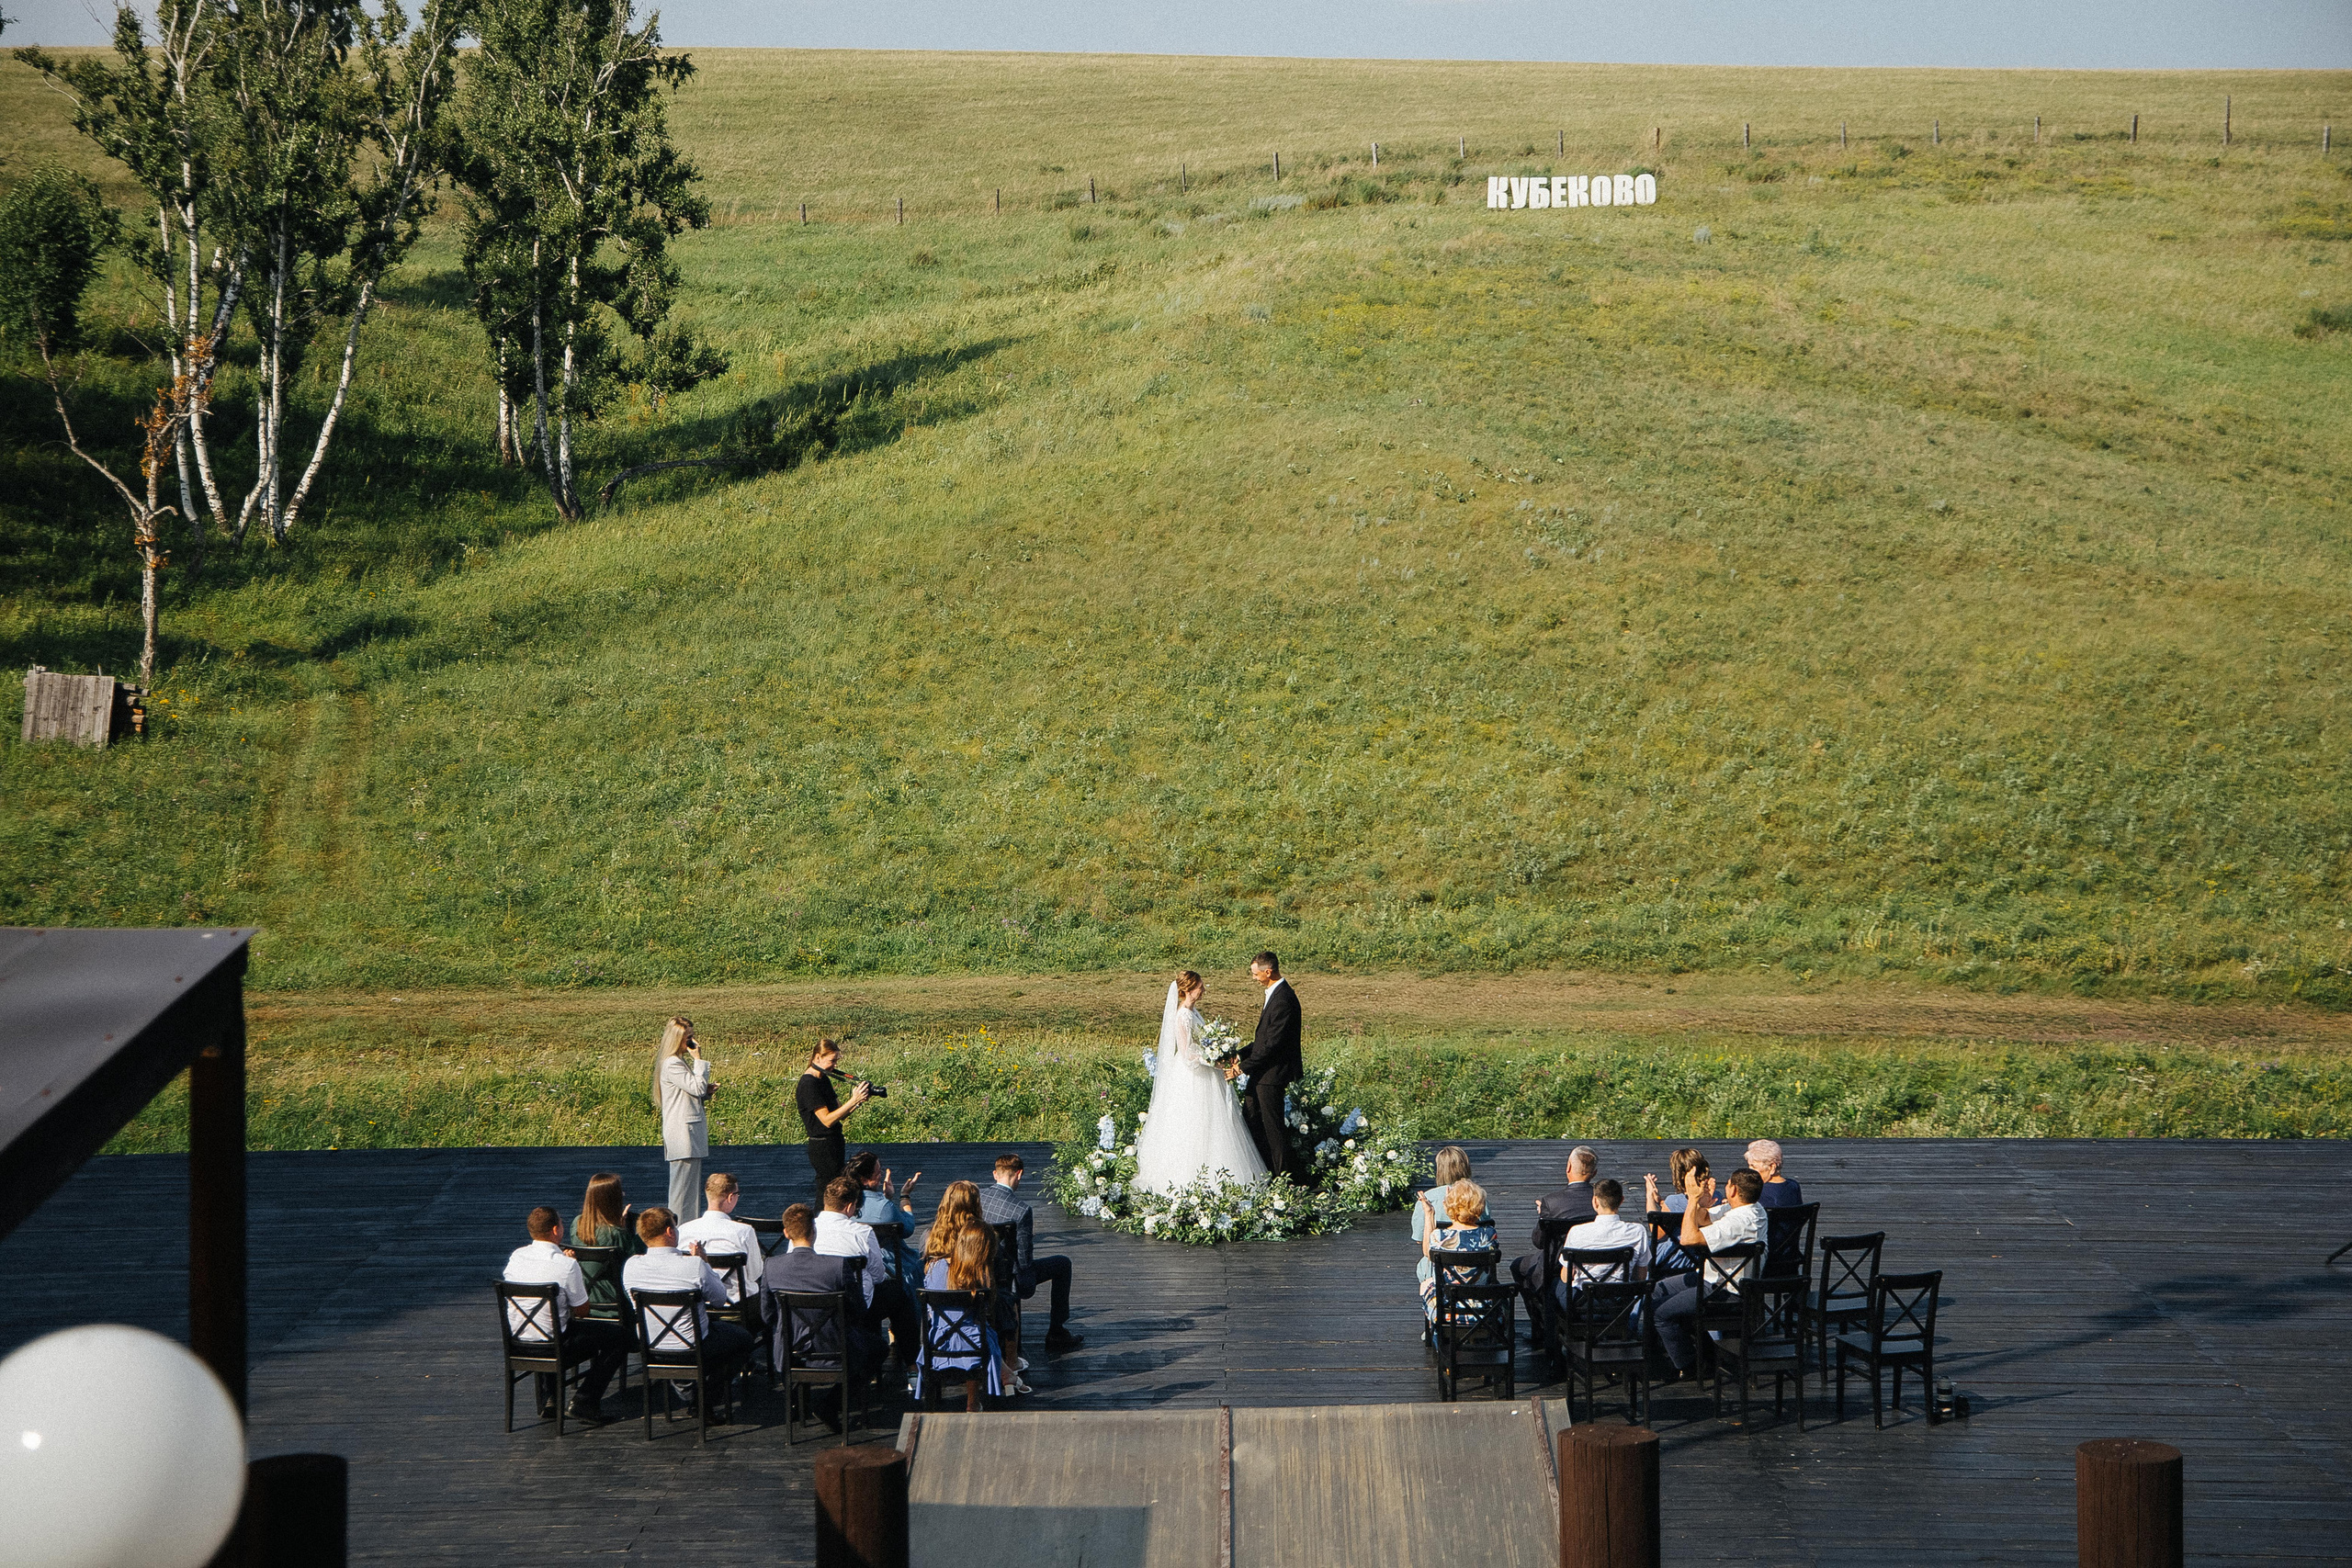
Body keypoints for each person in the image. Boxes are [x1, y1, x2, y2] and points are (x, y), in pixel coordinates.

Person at [1136, 970, 1266, 1194]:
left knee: (1214, 1122)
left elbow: (1203, 1043)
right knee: (1193, 1123)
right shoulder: (1183, 1015)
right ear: (1187, 989)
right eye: (1200, 987)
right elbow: (1187, 1053)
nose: (1204, 990)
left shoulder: (1194, 1012)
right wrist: (1215, 1062)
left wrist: (1221, 1052)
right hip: (1192, 1076)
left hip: (1205, 1073)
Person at [503, 1205, 629, 1423]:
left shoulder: (517, 1257)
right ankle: (585, 1400)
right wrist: (573, 1267)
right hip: (558, 1345)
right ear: (555, 1230)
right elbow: (582, 1310)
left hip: (520, 1340)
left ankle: (550, 1398)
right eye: (561, 1223)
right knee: (621, 1338)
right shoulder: (567, 1264)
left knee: (546, 1321)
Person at [763, 1203, 879, 1429]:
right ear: (813, 1231)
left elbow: (767, 1315)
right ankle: (831, 1403)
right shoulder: (837, 1266)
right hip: (836, 1347)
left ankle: (799, 1402)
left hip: (792, 1350)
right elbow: (859, 1309)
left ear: (786, 1233)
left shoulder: (771, 1266)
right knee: (877, 1349)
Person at [620, 1206, 754, 1399]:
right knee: (744, 1340)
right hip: (693, 1346)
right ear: (669, 1231)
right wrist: (704, 1263)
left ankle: (688, 1388)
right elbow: (718, 1300)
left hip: (651, 1344)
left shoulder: (631, 1266)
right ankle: (705, 1394)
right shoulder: (694, 1265)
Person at [1649, 1168, 1768, 1375]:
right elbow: (1703, 1219)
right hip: (1712, 1278)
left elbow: (1688, 1238)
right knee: (1657, 1290)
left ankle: (1689, 1366)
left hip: (1725, 1291)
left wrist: (1692, 1199)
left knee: (1660, 1312)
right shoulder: (1753, 1209)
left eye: (1728, 1184)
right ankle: (1705, 1354)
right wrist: (1701, 1202)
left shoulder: (1736, 1222)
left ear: (1734, 1190)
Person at [980, 1153, 1084, 1352]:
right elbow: (1024, 1256)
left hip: (979, 1269)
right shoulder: (1022, 1210)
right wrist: (1024, 1282)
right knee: (1062, 1264)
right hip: (1008, 1276)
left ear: (995, 1174)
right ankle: (1057, 1332)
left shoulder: (977, 1199)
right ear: (1019, 1175)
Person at [816, 1175, 921, 1363]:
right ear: (849, 1207)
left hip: (813, 1305)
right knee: (898, 1294)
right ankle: (910, 1361)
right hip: (855, 1305)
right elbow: (878, 1275)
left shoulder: (809, 1229)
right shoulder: (862, 1232)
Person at [916, 1223, 1009, 1404]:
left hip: (937, 1341)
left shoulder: (935, 1267)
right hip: (973, 1344)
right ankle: (972, 1402)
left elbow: (929, 1312)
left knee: (968, 1328)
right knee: (983, 1332)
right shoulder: (979, 1277)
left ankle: (933, 1402)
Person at [1231, 952, 1303, 1178]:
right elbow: (1264, 1039)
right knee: (1251, 1118)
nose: (1254, 978)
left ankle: (1284, 1177)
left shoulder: (1284, 999)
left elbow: (1272, 1044)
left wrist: (1242, 1068)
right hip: (1262, 1072)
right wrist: (1239, 1054)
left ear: (1268, 972)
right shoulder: (1275, 994)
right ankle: (1265, 1169)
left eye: (1255, 974)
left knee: (1273, 1128)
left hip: (1272, 1074)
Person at [1511, 1146, 1599, 1327]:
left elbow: (1539, 1242)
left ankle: (1540, 1323)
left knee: (1517, 1266)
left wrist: (1543, 1217)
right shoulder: (1601, 1200)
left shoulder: (1552, 1202)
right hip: (1594, 1262)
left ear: (1568, 1168)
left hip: (1556, 1264)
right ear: (1594, 1173)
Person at [796, 1038, 871, 1203]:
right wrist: (853, 1100)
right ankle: (820, 1222)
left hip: (834, 1142)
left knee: (835, 1188)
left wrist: (857, 1101)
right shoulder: (809, 1083)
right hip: (822, 1145)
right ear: (817, 1057)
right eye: (832, 1060)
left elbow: (839, 1113)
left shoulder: (823, 1079)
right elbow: (827, 1120)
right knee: (826, 1190)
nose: (835, 1065)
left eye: (836, 1061)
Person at [654, 1017, 715, 1222]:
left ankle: (686, 1228)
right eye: (689, 1038)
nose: (693, 1043)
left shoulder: (677, 1062)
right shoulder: (672, 1063)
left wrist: (705, 1091)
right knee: (682, 1193)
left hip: (688, 1133)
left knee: (689, 1192)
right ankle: (678, 1230)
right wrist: (699, 1060)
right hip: (683, 1134)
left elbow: (692, 1091)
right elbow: (695, 1087)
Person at [1419, 1180, 1498, 1324]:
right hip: (1482, 1305)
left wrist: (1429, 1214)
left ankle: (1437, 1333)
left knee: (1427, 1284)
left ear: (1447, 1205)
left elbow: (1427, 1253)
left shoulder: (1439, 1236)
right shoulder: (1488, 1235)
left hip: (1448, 1306)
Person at [678, 1171, 763, 1305]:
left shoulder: (683, 1230)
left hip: (698, 1302)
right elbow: (755, 1274)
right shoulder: (744, 1231)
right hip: (738, 1303)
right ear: (730, 1197)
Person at [1557, 1179, 1652, 1296]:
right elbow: (1641, 1276)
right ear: (1621, 1201)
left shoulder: (1577, 1231)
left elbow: (1567, 1276)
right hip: (1620, 1299)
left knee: (1556, 1286)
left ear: (1595, 1201)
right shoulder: (1638, 1231)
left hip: (1582, 1299)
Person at [849, 1150, 923, 1297]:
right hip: (891, 1265)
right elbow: (908, 1228)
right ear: (865, 1179)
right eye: (878, 1172)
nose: (881, 1174)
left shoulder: (848, 1203)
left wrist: (885, 1198)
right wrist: (905, 1196)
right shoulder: (884, 1207)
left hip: (859, 1265)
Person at [570, 1170, 645, 1314]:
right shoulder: (616, 1233)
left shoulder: (577, 1224)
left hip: (585, 1299)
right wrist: (630, 1232)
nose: (623, 1194)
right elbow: (635, 1260)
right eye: (619, 1192)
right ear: (612, 1199)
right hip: (617, 1303)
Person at [1412, 1146, 1477, 1290]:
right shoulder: (1478, 1198)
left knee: (1424, 1264)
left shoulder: (1428, 1198)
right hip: (1475, 1267)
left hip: (1439, 1268)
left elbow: (1419, 1239)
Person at [1747, 1139, 1804, 1207]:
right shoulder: (1794, 1186)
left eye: (1754, 1166)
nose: (1750, 1169)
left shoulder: (1756, 1191)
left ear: (1772, 1167)